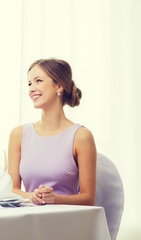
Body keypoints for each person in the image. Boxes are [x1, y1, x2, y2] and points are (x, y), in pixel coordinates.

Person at [8, 58, 96, 205]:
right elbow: (11, 190)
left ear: (58, 86)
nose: (31, 88)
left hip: (66, 221)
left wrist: (54, 199)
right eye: (29, 83)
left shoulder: (81, 136)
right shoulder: (18, 134)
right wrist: (32, 196)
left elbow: (89, 199)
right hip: (29, 220)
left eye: (38, 81)